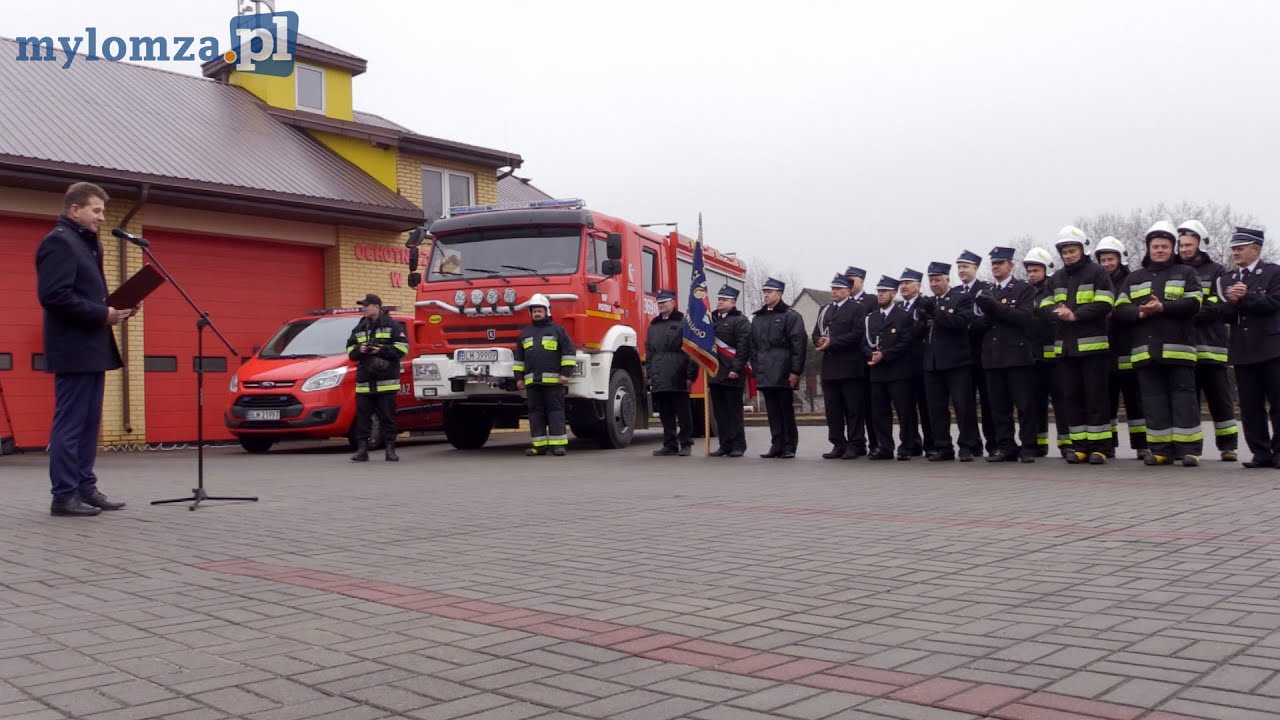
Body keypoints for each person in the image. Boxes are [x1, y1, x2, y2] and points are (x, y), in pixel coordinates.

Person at [35, 181, 132, 517]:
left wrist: (117, 308)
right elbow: (54, 296)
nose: (102, 217)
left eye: (103, 211)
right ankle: (63, 496)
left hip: (93, 347)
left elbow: (87, 296)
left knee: (90, 423)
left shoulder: (88, 245)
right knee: (71, 424)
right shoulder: (59, 243)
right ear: (74, 209)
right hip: (73, 349)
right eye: (96, 210)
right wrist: (101, 313)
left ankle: (85, 488)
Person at [1112, 222, 1204, 466]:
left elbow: (1194, 303)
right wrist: (1140, 313)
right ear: (1148, 249)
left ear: (1173, 248)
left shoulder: (1186, 274)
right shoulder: (1135, 277)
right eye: (1155, 246)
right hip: (1145, 353)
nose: (1160, 250)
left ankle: (1189, 450)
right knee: (1153, 402)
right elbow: (1119, 310)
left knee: (1184, 401)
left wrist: (1162, 307)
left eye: (1165, 246)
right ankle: (1161, 449)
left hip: (1179, 351)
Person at [1046, 226, 1115, 464]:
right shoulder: (1056, 279)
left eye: (1072, 250)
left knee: (1096, 399)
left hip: (1092, 348)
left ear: (1082, 249)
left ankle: (1100, 448)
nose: (1068, 255)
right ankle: (1079, 447)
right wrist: (1058, 313)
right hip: (1065, 350)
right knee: (1071, 399)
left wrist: (1075, 315)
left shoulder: (1097, 272)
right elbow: (1044, 305)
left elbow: (1106, 302)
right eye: (1064, 251)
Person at [1178, 220, 1239, 462]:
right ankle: (1193, 449)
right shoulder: (1175, 271)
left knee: (1220, 400)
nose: (1183, 249)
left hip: (1211, 348)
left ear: (1200, 244)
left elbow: (1219, 305)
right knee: (1189, 404)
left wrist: (1185, 311)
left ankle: (1228, 446)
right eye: (1181, 245)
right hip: (1184, 349)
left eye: (1188, 245)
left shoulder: (1217, 271)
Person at [972, 247, 1039, 462]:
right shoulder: (986, 291)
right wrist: (987, 314)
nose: (996, 267)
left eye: (1000, 263)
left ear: (1010, 265)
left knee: (1024, 405)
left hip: (1016, 356)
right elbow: (977, 325)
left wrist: (995, 308)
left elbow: (1025, 318)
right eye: (993, 264)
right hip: (992, 357)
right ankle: (1006, 446)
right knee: (998, 407)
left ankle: (1028, 446)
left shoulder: (1023, 289)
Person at [1222, 228, 1280, 468]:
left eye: (1240, 248)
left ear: (1255, 249)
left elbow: (1273, 303)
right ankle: (1260, 452)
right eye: (1234, 248)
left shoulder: (1274, 273)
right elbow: (1222, 314)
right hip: (1243, 351)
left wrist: (1246, 297)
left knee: (1277, 403)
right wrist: (1232, 302)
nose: (1235, 252)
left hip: (1271, 348)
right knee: (1249, 406)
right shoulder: (1227, 279)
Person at [1094, 236, 1148, 460]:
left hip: (1128, 347)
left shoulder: (1132, 280)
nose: (1106, 263)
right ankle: (1108, 446)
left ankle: (1142, 445)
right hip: (1104, 350)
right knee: (1106, 401)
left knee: (1136, 400)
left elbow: (1136, 309)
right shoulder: (1096, 281)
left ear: (1120, 258)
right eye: (1103, 260)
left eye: (1110, 258)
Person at [918, 261, 978, 462]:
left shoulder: (961, 299)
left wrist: (935, 312)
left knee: (963, 407)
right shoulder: (929, 302)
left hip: (956, 363)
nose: (934, 284)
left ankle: (967, 446)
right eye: (931, 280)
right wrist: (921, 315)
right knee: (936, 408)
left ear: (947, 280)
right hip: (932, 364)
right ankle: (943, 446)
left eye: (937, 280)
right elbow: (920, 331)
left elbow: (960, 323)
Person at [346, 293, 410, 462]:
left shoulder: (392, 325)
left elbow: (402, 349)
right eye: (363, 306)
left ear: (376, 306)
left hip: (386, 383)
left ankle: (390, 450)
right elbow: (350, 351)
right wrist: (361, 349)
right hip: (365, 382)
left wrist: (380, 351)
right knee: (363, 418)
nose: (363, 308)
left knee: (388, 417)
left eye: (366, 305)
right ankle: (362, 450)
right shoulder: (360, 327)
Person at [751, 277, 807, 458]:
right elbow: (753, 346)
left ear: (780, 294)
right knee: (772, 411)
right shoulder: (758, 318)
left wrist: (795, 371)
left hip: (783, 370)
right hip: (765, 370)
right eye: (765, 292)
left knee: (785, 410)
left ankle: (789, 445)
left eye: (770, 292)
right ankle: (776, 444)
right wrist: (756, 366)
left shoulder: (791, 316)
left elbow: (798, 345)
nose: (766, 295)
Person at [514, 293, 576, 456]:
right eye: (534, 310)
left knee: (555, 412)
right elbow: (519, 358)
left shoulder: (557, 330)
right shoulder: (525, 333)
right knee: (535, 414)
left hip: (553, 382)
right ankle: (539, 446)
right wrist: (519, 378)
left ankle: (558, 445)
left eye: (540, 310)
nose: (537, 313)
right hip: (532, 382)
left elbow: (569, 352)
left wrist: (565, 374)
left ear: (547, 311)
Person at [813, 274, 867, 459]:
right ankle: (838, 443)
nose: (834, 292)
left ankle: (855, 444)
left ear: (848, 290)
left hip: (850, 368)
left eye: (838, 289)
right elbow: (815, 332)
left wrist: (833, 342)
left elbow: (858, 334)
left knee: (853, 410)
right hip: (830, 368)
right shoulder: (825, 309)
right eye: (832, 288)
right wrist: (819, 341)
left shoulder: (857, 309)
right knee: (833, 410)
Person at [1025, 247, 1069, 456]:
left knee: (1062, 403)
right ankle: (1038, 444)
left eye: (1036, 270)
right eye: (1030, 271)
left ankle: (1066, 444)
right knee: (1035, 402)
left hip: (1056, 359)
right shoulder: (1025, 293)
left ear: (1046, 270)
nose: (1032, 275)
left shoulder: (1055, 291)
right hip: (1034, 359)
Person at [865, 275, 915, 460]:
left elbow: (905, 341)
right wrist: (870, 355)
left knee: (904, 411)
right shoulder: (871, 318)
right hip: (877, 372)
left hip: (898, 371)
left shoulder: (904, 316)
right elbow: (865, 342)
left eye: (884, 291)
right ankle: (884, 447)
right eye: (878, 291)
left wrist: (885, 354)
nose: (880, 295)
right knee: (879, 412)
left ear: (893, 293)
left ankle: (906, 447)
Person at [956, 249, 997, 458]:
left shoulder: (986, 290)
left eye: (966, 267)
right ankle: (971, 444)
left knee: (989, 402)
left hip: (983, 353)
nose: (962, 271)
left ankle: (994, 443)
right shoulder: (955, 293)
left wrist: (969, 326)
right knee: (965, 403)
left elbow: (989, 318)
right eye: (959, 267)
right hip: (961, 357)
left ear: (976, 268)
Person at [645, 289, 697, 456]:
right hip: (660, 373)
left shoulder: (684, 322)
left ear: (673, 303)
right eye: (659, 303)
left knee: (683, 412)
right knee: (665, 411)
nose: (661, 305)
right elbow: (650, 350)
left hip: (678, 372)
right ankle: (670, 443)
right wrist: (650, 371)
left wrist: (690, 375)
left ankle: (686, 443)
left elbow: (691, 351)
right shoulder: (653, 325)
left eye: (664, 302)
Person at [709, 286, 751, 457]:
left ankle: (738, 445)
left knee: (734, 412)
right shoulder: (711, 321)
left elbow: (743, 347)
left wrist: (736, 368)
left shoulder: (740, 321)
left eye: (724, 299)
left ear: (733, 302)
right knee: (720, 413)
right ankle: (724, 444)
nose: (719, 302)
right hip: (715, 372)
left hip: (732, 373)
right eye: (719, 299)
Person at [897, 268, 931, 456]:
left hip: (922, 362)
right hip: (903, 365)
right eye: (902, 283)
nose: (904, 286)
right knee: (906, 408)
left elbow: (921, 331)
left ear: (918, 285)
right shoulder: (899, 308)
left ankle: (931, 443)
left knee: (926, 407)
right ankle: (910, 444)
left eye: (908, 283)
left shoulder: (925, 305)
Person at [846, 265, 878, 457]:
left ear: (862, 282)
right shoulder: (843, 303)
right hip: (849, 362)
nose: (849, 284)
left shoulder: (872, 301)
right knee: (853, 406)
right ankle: (857, 442)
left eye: (853, 280)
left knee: (872, 405)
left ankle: (875, 442)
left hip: (868, 360)